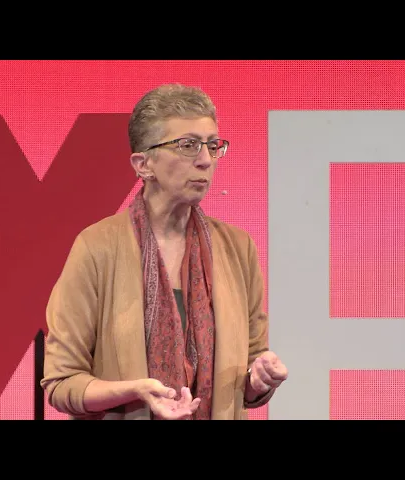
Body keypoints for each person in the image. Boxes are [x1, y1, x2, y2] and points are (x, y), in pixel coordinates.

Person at [40, 83, 288, 420]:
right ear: (143, 164)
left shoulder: (237, 248)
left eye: (212, 146)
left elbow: (250, 369)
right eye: (187, 146)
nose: (205, 160)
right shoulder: (96, 247)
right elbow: (62, 382)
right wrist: (134, 391)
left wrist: (259, 380)